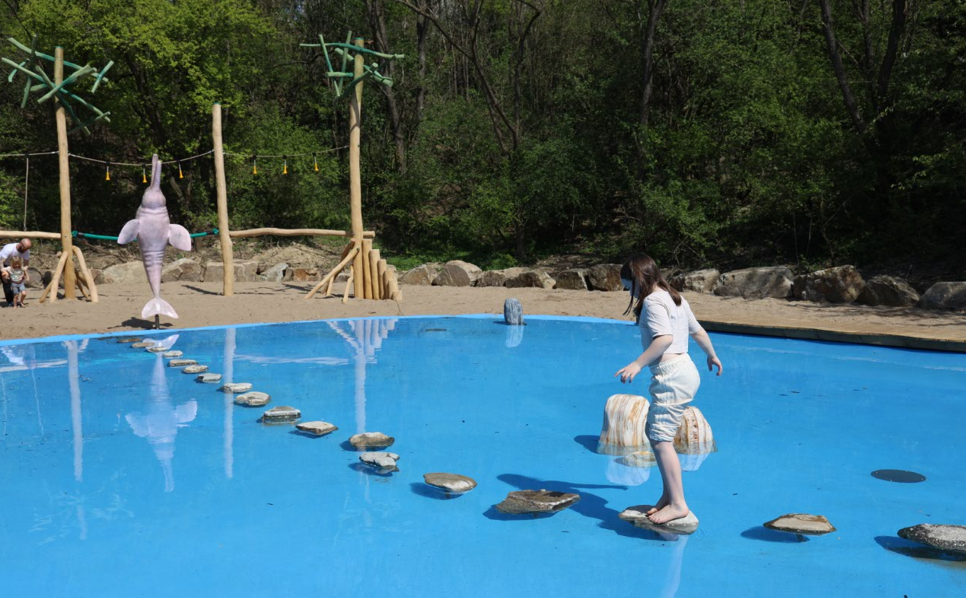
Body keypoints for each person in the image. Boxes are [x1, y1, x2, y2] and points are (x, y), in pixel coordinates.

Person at [614, 253, 723, 525]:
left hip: (671, 376)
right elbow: (697, 331)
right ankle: (667, 495)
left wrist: (637, 364)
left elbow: (664, 339)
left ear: (639, 279)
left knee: (661, 439)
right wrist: (712, 355)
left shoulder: (652, 301)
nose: (629, 292)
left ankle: (678, 504)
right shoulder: (675, 297)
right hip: (686, 369)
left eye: (629, 286)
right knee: (658, 436)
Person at [0, 238, 31, 307]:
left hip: (13, 266)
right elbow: (1, 263)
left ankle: (12, 301)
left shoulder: (26, 251)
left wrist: (23, 272)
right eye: (25, 248)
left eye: (27, 249)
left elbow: (26, 265)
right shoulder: (9, 248)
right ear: (20, 244)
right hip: (2, 264)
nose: (25, 251)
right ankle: (10, 301)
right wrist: (4, 273)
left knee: (14, 283)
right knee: (6, 283)